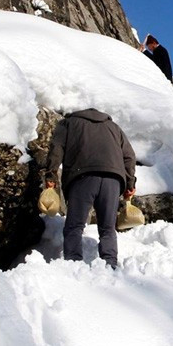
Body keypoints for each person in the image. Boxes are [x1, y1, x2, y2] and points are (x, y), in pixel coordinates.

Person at [43, 108, 136, 269]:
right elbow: (129, 156)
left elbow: (56, 149)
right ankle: (110, 265)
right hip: (112, 180)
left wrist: (51, 175)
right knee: (107, 228)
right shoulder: (114, 128)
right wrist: (130, 183)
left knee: (74, 226)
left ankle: (73, 265)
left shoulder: (68, 123)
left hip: (83, 177)